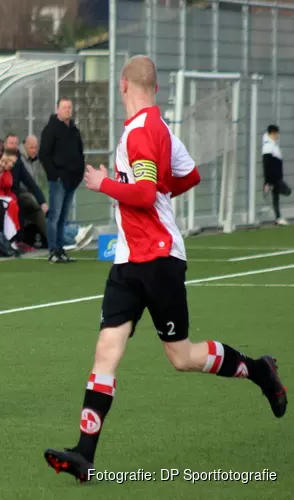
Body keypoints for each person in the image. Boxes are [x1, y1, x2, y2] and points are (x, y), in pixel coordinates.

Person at [43, 55, 287, 482]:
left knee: (182, 357)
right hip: (129, 260)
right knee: (107, 350)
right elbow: (188, 176)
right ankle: (84, 455)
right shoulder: (161, 131)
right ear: (153, 88)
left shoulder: (141, 133)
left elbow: (140, 193)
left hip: (158, 259)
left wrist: (106, 185)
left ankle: (259, 369)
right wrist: (157, 192)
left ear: (123, 85)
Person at [39, 96, 85, 263]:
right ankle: (53, 251)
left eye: (70, 107)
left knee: (63, 217)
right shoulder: (50, 130)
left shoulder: (74, 130)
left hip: (72, 180)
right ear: (58, 109)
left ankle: (60, 249)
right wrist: (54, 174)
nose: (68, 110)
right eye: (65, 107)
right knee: (55, 216)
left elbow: (80, 153)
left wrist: (79, 173)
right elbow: (44, 154)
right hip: (58, 180)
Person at [262, 125, 290, 226]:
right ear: (272, 133)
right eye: (277, 133)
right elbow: (267, 163)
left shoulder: (272, 144)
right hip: (274, 178)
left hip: (277, 177)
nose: (278, 135)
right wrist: (268, 179)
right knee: (287, 191)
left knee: (276, 198)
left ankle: (278, 218)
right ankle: (269, 185)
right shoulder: (268, 146)